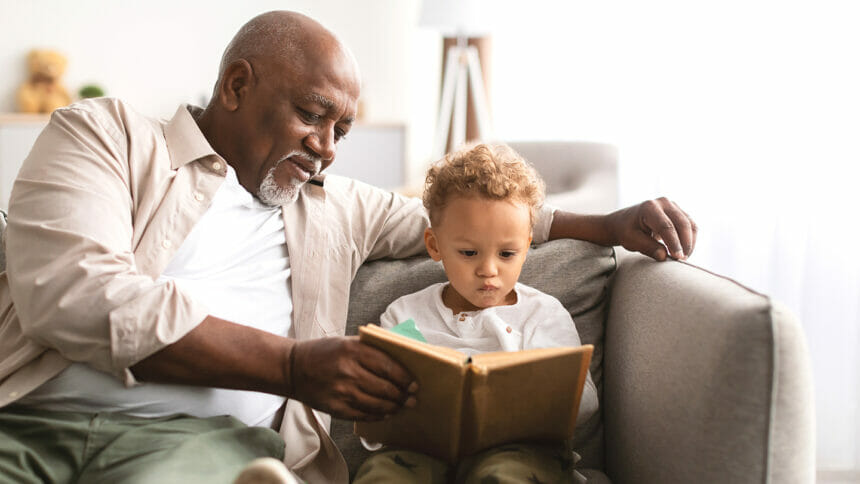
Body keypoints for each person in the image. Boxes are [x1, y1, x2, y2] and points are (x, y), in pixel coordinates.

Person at [0, 10, 697, 484]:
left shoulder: (337, 207)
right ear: (237, 85)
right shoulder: (109, 136)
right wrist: (293, 365)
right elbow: (76, 296)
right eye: (312, 116)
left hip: (193, 445)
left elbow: (468, 219)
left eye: (344, 130)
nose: (328, 149)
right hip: (28, 418)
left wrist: (605, 225)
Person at [354, 143, 598, 483]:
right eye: (469, 252)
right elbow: (378, 415)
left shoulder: (542, 313)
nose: (488, 270)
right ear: (435, 245)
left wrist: (536, 394)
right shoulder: (405, 314)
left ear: (527, 247)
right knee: (383, 473)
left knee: (504, 476)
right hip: (423, 451)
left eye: (507, 254)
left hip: (519, 449)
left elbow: (585, 403)